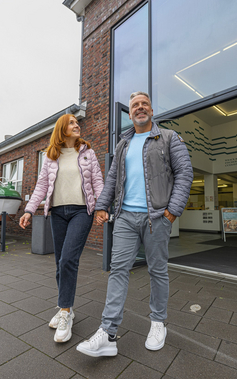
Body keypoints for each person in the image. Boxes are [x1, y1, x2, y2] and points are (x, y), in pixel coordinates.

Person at [76, 91, 193, 357]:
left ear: (152, 110)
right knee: (118, 270)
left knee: (157, 271)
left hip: (157, 218)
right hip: (126, 217)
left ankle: (158, 323)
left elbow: (185, 173)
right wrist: (102, 206)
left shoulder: (169, 138)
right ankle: (108, 333)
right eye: (135, 106)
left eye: (144, 104)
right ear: (130, 114)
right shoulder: (123, 144)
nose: (140, 108)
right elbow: (113, 179)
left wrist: (172, 212)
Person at [19, 113, 104, 343]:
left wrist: (101, 207)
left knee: (68, 259)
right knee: (59, 263)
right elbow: (41, 185)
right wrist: (29, 209)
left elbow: (97, 181)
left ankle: (65, 311)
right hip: (57, 212)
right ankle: (66, 307)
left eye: (78, 123)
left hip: (81, 212)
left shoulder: (87, 152)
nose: (77, 126)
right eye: (72, 123)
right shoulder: (50, 156)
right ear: (62, 129)